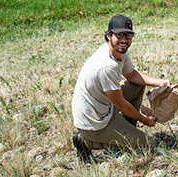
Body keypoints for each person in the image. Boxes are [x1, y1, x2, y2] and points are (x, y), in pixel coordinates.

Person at [72, 15, 171, 162]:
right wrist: (145, 120)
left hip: (104, 106)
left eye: (128, 35)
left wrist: (160, 83)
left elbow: (132, 75)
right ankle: (86, 141)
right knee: (145, 144)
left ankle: (125, 129)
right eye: (119, 35)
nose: (124, 40)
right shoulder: (106, 66)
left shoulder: (118, 52)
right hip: (94, 121)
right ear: (108, 35)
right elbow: (121, 104)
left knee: (136, 85)